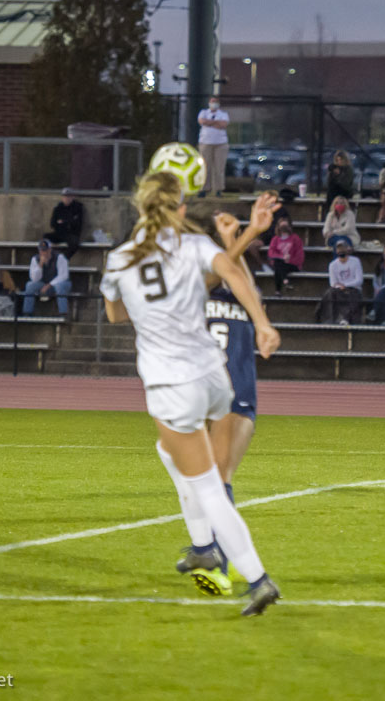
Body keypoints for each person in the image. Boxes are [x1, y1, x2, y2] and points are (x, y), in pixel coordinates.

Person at [100, 170, 281, 615]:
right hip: (214, 378)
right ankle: (202, 547)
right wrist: (263, 324)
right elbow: (234, 277)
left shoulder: (120, 259)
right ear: (180, 210)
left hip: (171, 384)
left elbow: (115, 316)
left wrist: (146, 309)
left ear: (140, 210)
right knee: (171, 454)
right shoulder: (196, 245)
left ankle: (253, 576)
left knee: (208, 487)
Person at [169, 196, 282, 595]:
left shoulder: (232, 273)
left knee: (216, 474)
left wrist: (242, 237)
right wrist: (244, 233)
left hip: (236, 385)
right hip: (202, 385)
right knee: (205, 474)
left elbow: (244, 286)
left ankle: (218, 561)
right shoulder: (192, 277)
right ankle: (225, 560)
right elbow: (213, 276)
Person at [316, 240, 364, 325]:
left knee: (352, 294)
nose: (341, 250)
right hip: (338, 290)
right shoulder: (332, 265)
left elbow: (359, 280)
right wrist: (341, 287)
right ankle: (330, 320)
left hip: (353, 289)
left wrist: (346, 285)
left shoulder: (355, 261)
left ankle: (347, 319)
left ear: (347, 249)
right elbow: (333, 283)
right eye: (339, 249)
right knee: (330, 293)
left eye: (343, 248)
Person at [22, 239, 71, 316]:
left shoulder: (59, 257)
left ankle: (63, 313)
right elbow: (34, 279)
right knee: (29, 285)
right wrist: (40, 265)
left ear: (50, 249)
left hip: (60, 284)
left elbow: (63, 276)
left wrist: (49, 285)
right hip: (43, 284)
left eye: (45, 250)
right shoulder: (35, 259)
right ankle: (27, 312)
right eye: (41, 250)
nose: (43, 253)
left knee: (59, 286)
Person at [197, 96, 230, 197]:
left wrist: (209, 123)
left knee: (219, 167)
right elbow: (202, 121)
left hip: (220, 144)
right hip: (205, 143)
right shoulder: (203, 112)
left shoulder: (223, 114)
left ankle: (218, 189)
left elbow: (223, 124)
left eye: (215, 102)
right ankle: (204, 188)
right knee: (205, 167)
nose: (213, 103)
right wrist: (216, 123)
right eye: (212, 101)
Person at [266, 218, 303, 295]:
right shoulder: (275, 239)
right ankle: (285, 282)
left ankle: (278, 290)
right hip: (280, 263)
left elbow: (300, 255)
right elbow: (271, 253)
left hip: (292, 265)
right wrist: (282, 257)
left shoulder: (295, 238)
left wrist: (289, 260)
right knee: (278, 264)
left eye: (285, 226)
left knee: (278, 267)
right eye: (282, 226)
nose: (284, 228)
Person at [45, 189, 85, 259]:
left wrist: (63, 222)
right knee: (46, 238)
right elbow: (53, 224)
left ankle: (63, 259)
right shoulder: (58, 208)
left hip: (71, 234)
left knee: (74, 243)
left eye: (68, 196)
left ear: (72, 197)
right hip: (60, 233)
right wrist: (65, 223)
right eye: (65, 196)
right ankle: (50, 258)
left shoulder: (77, 207)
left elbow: (77, 224)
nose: (66, 198)